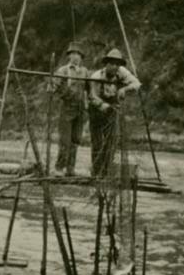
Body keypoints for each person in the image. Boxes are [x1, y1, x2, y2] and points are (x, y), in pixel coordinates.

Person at [88, 48, 141, 177]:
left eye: (117, 64)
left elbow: (137, 83)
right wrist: (104, 106)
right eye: (112, 63)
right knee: (97, 143)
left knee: (111, 142)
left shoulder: (121, 72)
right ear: (106, 64)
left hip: (112, 111)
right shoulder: (96, 77)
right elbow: (92, 96)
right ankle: (96, 172)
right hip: (97, 110)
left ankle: (106, 171)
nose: (115, 67)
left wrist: (125, 89)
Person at [53, 43, 88, 177]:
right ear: (69, 56)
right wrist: (55, 88)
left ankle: (70, 168)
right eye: (73, 54)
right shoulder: (63, 70)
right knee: (65, 140)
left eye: (78, 54)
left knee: (76, 139)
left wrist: (87, 106)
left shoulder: (84, 71)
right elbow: (54, 86)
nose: (75, 57)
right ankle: (59, 168)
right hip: (67, 108)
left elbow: (89, 89)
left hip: (80, 109)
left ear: (81, 57)